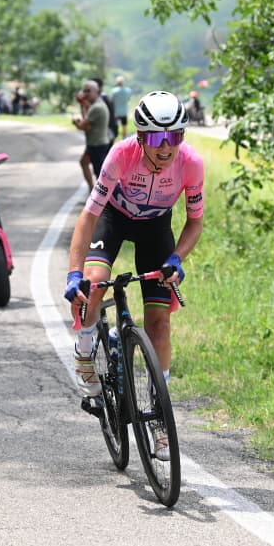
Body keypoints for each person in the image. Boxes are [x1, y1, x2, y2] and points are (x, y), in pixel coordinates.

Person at [64, 90, 204, 461]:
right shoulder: (122, 155)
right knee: (93, 283)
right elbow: (89, 216)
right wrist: (73, 273)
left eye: (174, 137)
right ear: (141, 137)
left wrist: (176, 257)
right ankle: (83, 348)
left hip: (155, 228)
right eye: (158, 138)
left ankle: (159, 418)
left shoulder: (190, 163)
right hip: (113, 219)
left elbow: (194, 222)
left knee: (159, 324)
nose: (166, 147)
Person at [72, 80, 111, 191]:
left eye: (88, 91)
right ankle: (92, 189)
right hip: (95, 144)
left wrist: (76, 122)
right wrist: (83, 105)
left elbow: (83, 126)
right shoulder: (96, 104)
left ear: (96, 91)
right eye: (84, 91)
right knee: (84, 163)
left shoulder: (96, 108)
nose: (85, 93)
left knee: (100, 173)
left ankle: (103, 199)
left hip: (97, 145)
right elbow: (87, 124)